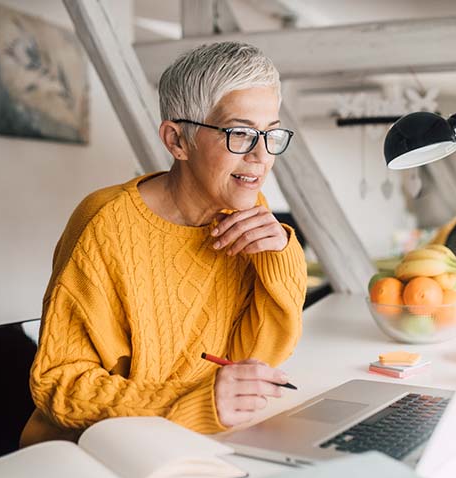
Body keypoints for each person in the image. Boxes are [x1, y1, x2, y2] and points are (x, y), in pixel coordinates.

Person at [20, 42, 307, 447]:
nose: (261, 156)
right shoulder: (104, 224)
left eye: (271, 133)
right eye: (240, 133)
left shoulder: (243, 211)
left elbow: (256, 358)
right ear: (177, 141)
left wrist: (280, 256)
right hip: (90, 448)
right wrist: (188, 403)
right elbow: (60, 384)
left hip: (191, 439)